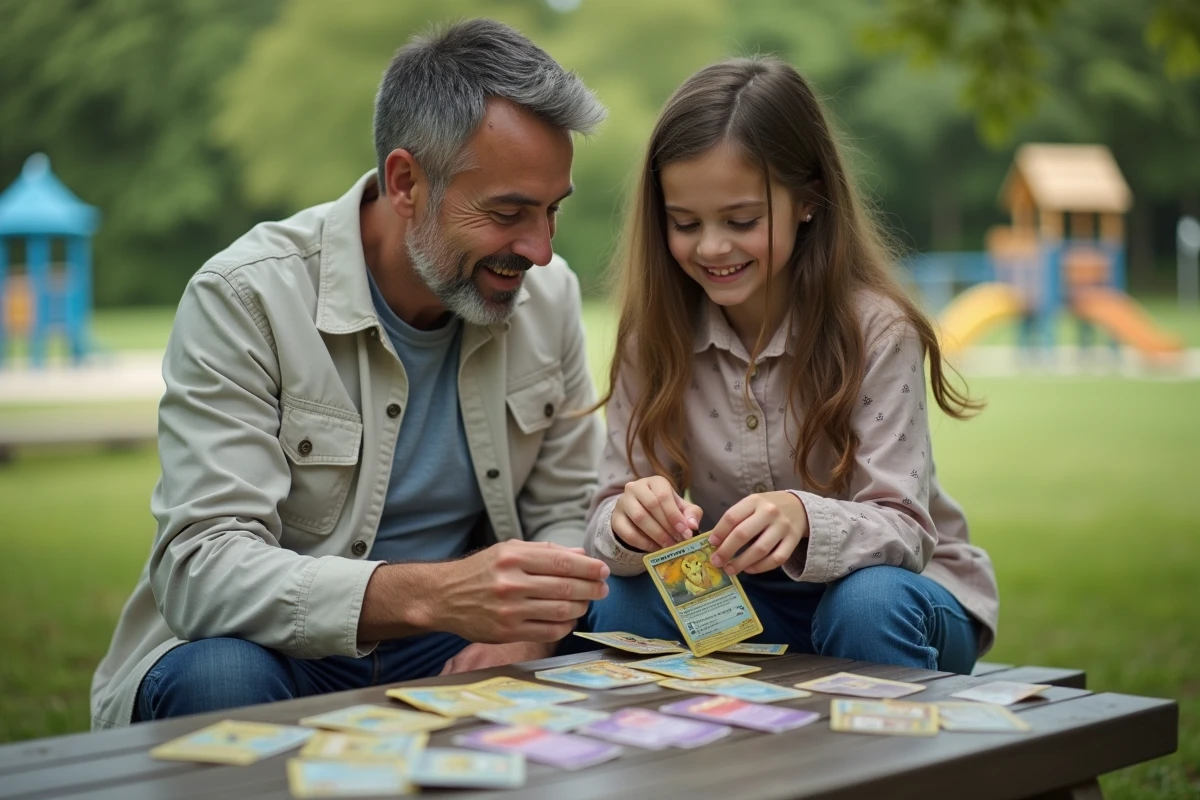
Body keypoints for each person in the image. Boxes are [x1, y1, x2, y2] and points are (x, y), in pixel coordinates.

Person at [91, 18, 612, 729]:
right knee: (216, 678)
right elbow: (202, 566)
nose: (541, 251)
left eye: (552, 211)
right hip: (278, 649)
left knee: (623, 635)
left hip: (461, 641)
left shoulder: (548, 299)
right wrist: (432, 595)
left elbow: (568, 508)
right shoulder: (246, 297)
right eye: (509, 213)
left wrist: (528, 628)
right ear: (405, 183)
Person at [578, 57, 999, 673]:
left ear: (808, 200)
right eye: (684, 223)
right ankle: (685, 764)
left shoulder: (878, 330)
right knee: (625, 601)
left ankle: (893, 768)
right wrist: (627, 520)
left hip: (905, 595)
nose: (712, 247)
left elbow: (906, 530)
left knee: (864, 604)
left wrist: (805, 516)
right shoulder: (655, 336)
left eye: (741, 220)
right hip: (746, 602)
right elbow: (608, 512)